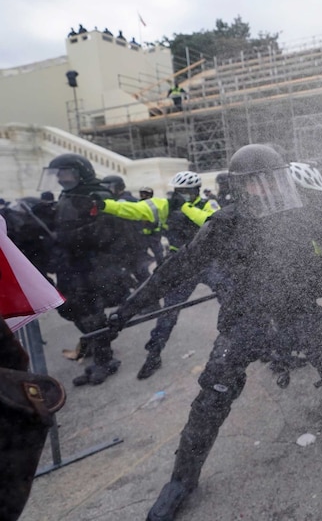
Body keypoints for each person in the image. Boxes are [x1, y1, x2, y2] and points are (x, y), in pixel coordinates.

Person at [108, 144, 322, 521]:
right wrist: (125, 311)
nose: (268, 189)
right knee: (212, 397)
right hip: (245, 323)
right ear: (241, 187)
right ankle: (181, 481)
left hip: (298, 312)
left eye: (274, 179)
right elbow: (176, 268)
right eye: (258, 183)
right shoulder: (224, 224)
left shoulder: (300, 215)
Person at [94, 171, 220, 379]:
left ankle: (257, 341)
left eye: (187, 191)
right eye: (179, 191)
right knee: (168, 314)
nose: (183, 194)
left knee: (236, 298)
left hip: (208, 263)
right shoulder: (164, 206)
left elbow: (210, 222)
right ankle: (154, 354)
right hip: (180, 266)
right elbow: (134, 209)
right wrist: (105, 205)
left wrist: (186, 208)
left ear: (196, 190)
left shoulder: (208, 204)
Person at [36, 154, 135, 386]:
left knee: (92, 315)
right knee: (69, 309)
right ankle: (96, 344)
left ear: (80, 172)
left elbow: (106, 232)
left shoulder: (97, 195)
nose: (59, 178)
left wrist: (68, 236)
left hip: (93, 267)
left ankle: (104, 360)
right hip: (70, 266)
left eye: (64, 172)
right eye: (56, 174)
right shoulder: (68, 195)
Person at [138, 186, 165, 265]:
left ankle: (162, 268)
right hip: (141, 235)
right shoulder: (138, 204)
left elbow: (157, 218)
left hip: (153, 234)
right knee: (141, 256)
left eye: (145, 194)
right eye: (142, 194)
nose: (143, 196)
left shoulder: (154, 205)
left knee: (159, 254)